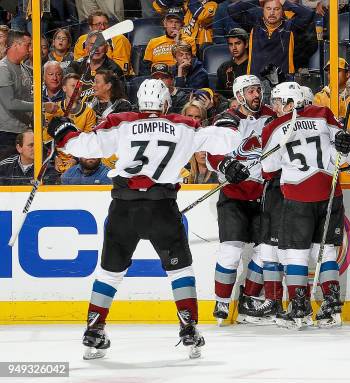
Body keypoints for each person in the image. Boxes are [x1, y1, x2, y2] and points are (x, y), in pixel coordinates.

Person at [45, 78, 246, 360]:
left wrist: (62, 130)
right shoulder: (182, 124)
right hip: (162, 207)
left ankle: (94, 329)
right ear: (165, 103)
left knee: (109, 273)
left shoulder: (121, 121)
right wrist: (229, 120)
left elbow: (82, 147)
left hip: (123, 208)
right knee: (180, 270)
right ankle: (189, 328)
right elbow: (228, 139)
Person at [260, 81, 350, 329]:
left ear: (291, 103)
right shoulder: (323, 114)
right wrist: (347, 144)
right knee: (326, 252)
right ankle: (330, 306)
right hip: (329, 194)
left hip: (298, 196)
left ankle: (299, 309)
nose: (274, 107)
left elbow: (268, 168)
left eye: (278, 102)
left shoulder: (275, 127)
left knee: (294, 255)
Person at [205, 74, 276, 325]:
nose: (256, 95)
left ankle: (249, 301)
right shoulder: (227, 119)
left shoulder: (271, 115)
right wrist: (226, 165)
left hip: (262, 195)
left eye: (258, 90)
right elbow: (212, 154)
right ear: (238, 96)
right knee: (230, 251)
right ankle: (222, 302)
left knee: (266, 251)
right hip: (234, 195)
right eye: (250, 91)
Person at [0, 30, 56, 159]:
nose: (31, 49)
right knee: (7, 175)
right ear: (15, 45)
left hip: (25, 131)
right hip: (7, 133)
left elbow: (29, 98)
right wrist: (42, 106)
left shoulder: (26, 69)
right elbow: (10, 103)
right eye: (28, 45)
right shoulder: (3, 69)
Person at [228, 0, 314, 78]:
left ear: (283, 11)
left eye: (276, 9)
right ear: (263, 10)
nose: (272, 12)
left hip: (283, 81)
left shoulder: (290, 26)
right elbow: (232, 9)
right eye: (268, 9)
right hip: (256, 81)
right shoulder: (254, 24)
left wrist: (284, 2)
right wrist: (258, 1)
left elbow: (308, 14)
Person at [66, 31, 125, 104]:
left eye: (100, 44)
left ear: (106, 48)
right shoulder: (75, 66)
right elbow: (66, 94)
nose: (96, 49)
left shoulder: (113, 69)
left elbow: (118, 99)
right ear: (86, 48)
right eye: (92, 45)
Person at [73, 11, 132, 75]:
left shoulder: (119, 39)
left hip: (113, 77)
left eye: (105, 24)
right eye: (98, 24)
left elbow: (121, 68)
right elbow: (78, 64)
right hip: (86, 77)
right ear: (90, 27)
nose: (103, 27)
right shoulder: (82, 40)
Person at [216, 27, 249, 99]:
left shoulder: (254, 65)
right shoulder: (223, 67)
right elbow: (218, 95)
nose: (234, 48)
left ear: (246, 44)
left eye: (237, 43)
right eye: (231, 44)